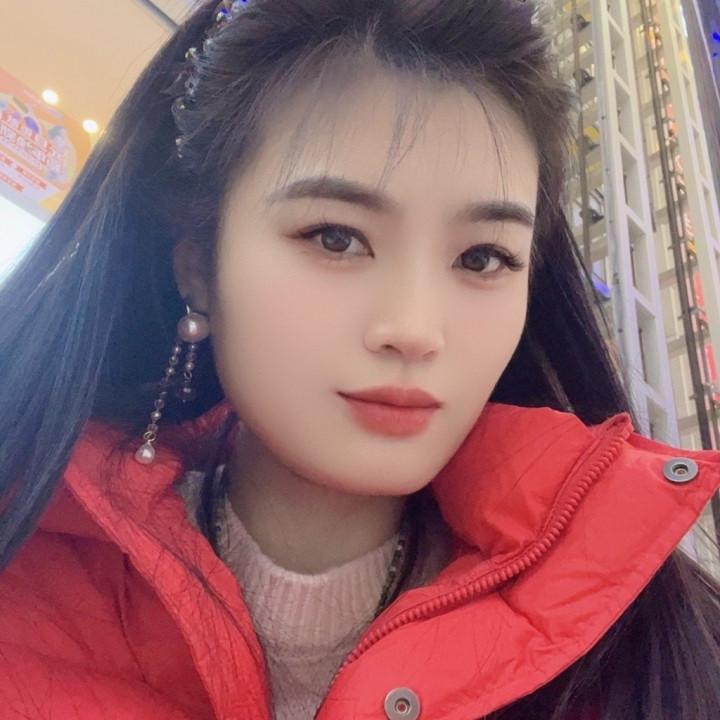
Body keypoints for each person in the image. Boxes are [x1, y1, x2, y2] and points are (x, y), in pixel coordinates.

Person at [0, 0, 718, 718]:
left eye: (482, 257)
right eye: (335, 238)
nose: (414, 330)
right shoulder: (23, 557)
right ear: (198, 268)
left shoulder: (664, 648)